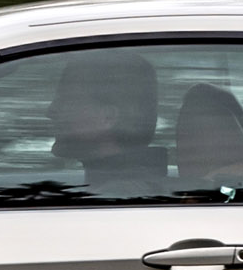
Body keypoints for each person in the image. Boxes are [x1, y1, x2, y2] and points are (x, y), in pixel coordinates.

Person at [48, 51, 168, 197]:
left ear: (108, 117)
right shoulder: (129, 194)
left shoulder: (117, 200)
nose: (51, 111)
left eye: (67, 100)